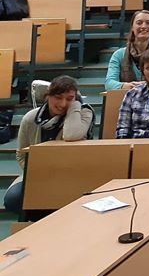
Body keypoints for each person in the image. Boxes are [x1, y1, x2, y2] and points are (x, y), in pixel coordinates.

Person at [5, 75, 95, 214]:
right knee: (13, 199)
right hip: (36, 174)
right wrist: (40, 175)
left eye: (69, 99)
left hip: (72, 174)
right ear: (48, 96)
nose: (63, 104)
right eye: (58, 97)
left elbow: (71, 135)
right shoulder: (30, 118)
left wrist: (75, 106)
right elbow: (21, 155)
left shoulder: (83, 114)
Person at [106, 10, 149, 91]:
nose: (143, 26)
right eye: (139, 23)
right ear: (132, 27)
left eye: (148, 23)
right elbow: (109, 84)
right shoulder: (119, 55)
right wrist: (126, 86)